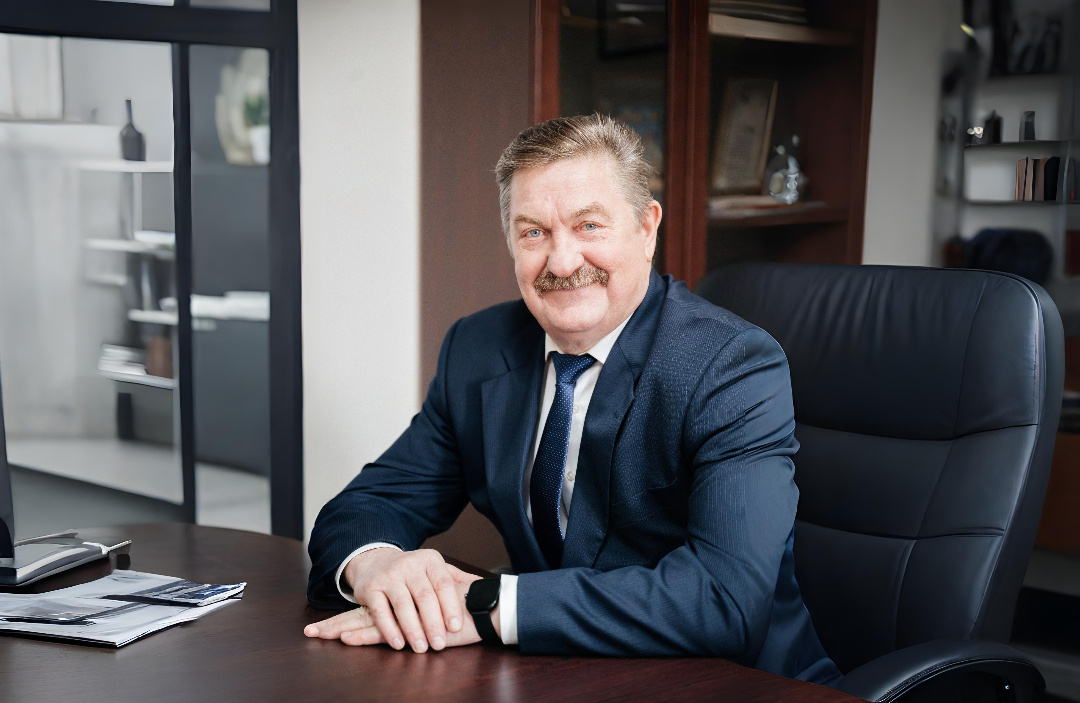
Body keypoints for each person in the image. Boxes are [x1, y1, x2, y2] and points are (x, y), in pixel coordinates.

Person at [304, 114, 840, 684]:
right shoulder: (477, 349)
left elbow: (723, 601)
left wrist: (490, 606)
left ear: (647, 228)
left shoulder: (730, 366)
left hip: (739, 686)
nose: (561, 262)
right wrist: (376, 565)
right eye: (534, 233)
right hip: (566, 676)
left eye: (589, 226)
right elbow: (371, 503)